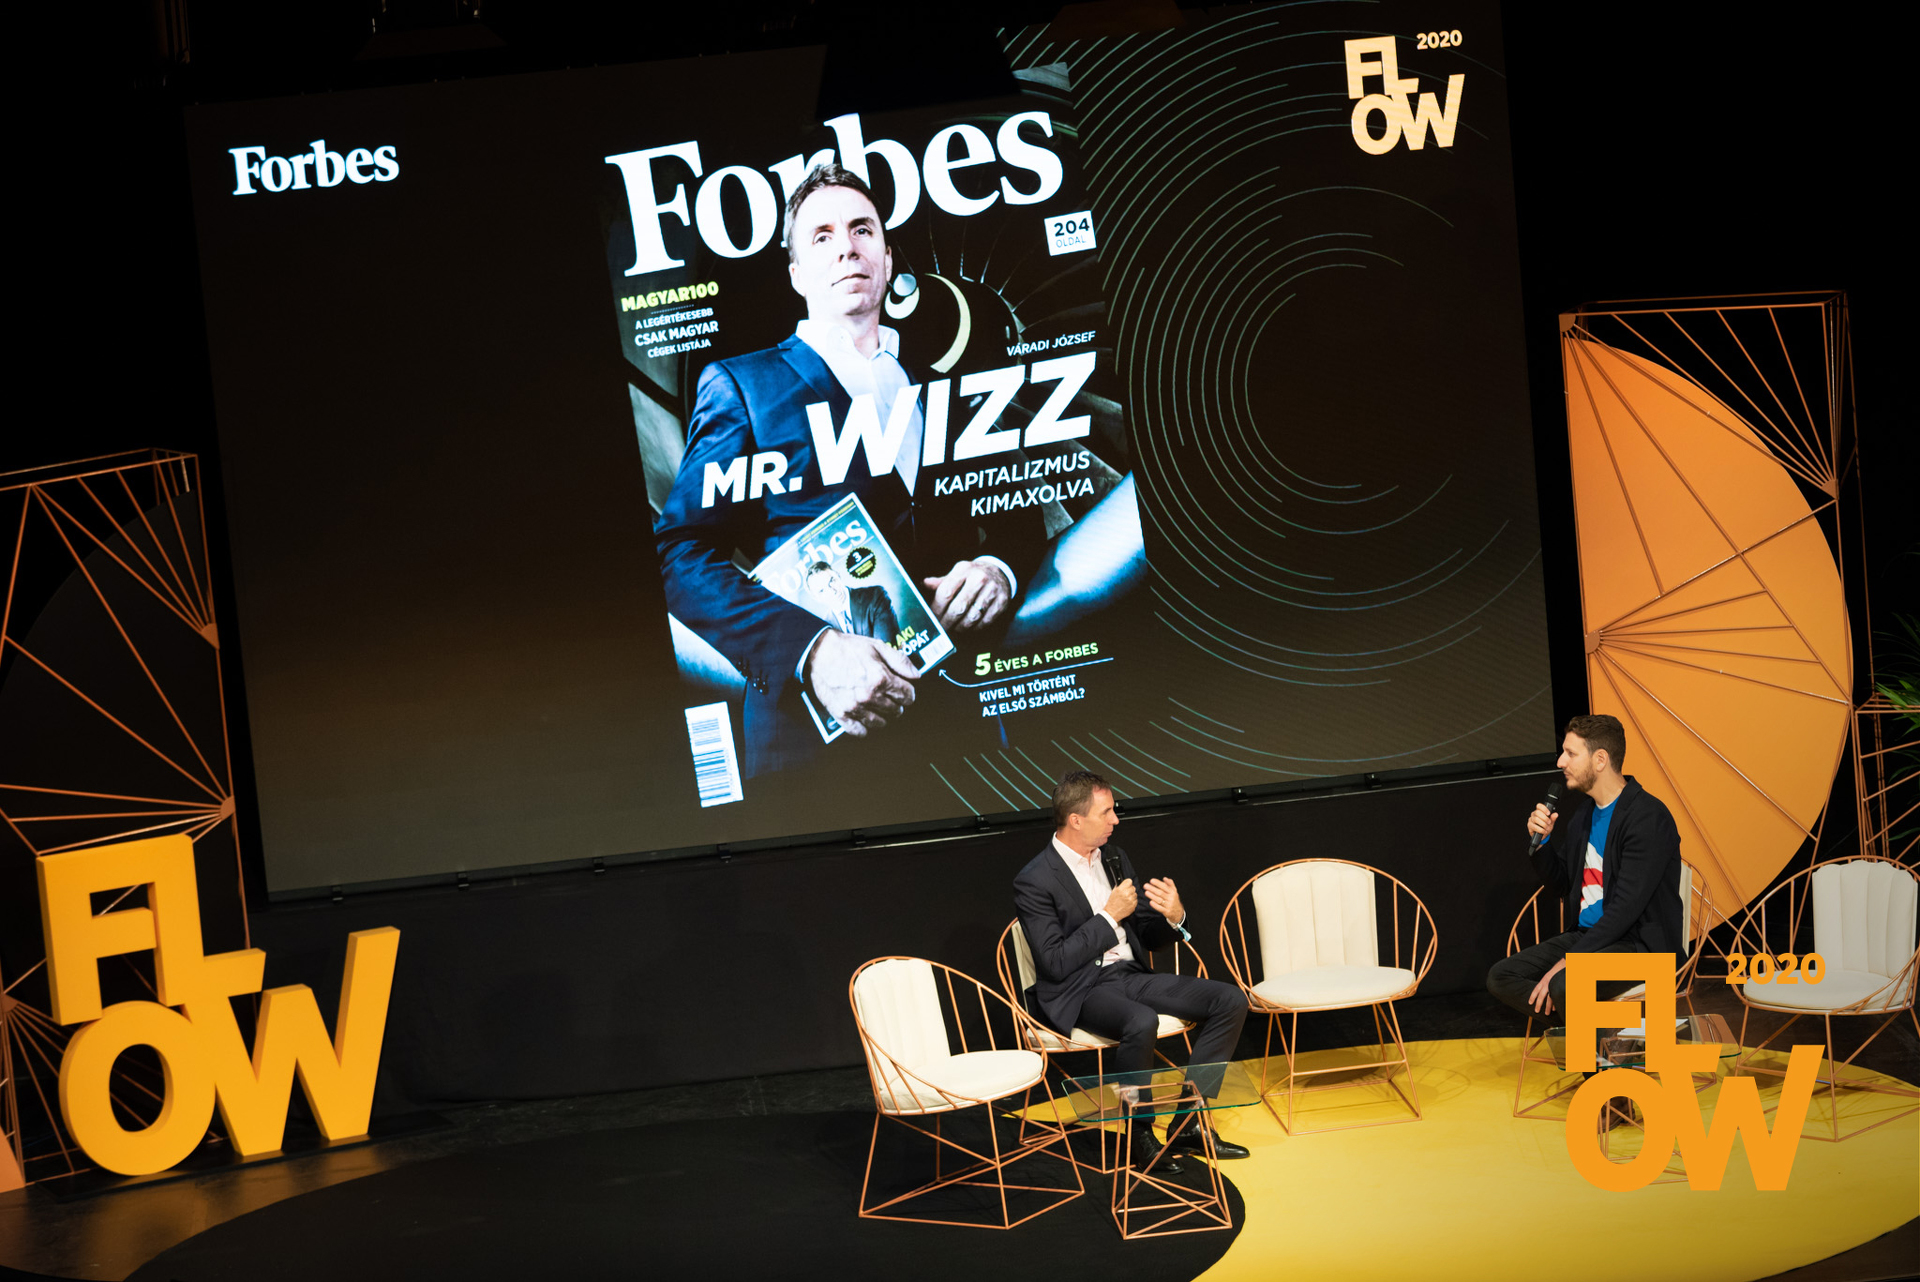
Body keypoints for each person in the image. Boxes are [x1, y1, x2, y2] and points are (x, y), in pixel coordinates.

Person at [655, 164, 1042, 775]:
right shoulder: (741, 384)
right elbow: (680, 555)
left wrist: (998, 569)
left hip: (958, 726)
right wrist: (809, 651)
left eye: (862, 230)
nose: (846, 248)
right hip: (814, 743)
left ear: (886, 259)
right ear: (796, 273)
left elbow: (1018, 519)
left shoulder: (945, 388)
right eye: (822, 236)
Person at [1013, 770, 1250, 1171]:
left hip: (1130, 976)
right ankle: (1139, 1131)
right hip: (1080, 989)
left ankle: (1190, 1121)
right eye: (1106, 812)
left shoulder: (1114, 858)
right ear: (1076, 820)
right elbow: (1054, 962)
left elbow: (1147, 935)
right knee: (1141, 1021)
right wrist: (1108, 917)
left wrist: (1175, 918)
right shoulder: (1035, 879)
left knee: (1229, 1000)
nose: (1115, 819)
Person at [1485, 714, 1683, 1021]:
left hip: (1640, 946)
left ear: (1600, 759)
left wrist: (1571, 960)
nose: (1561, 762)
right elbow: (1561, 885)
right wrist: (1542, 843)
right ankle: (1605, 1033)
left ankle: (1595, 1041)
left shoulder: (1648, 817)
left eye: (1571, 753)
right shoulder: (1584, 815)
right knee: (1502, 976)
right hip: (1588, 936)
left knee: (1565, 984)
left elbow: (1625, 909)